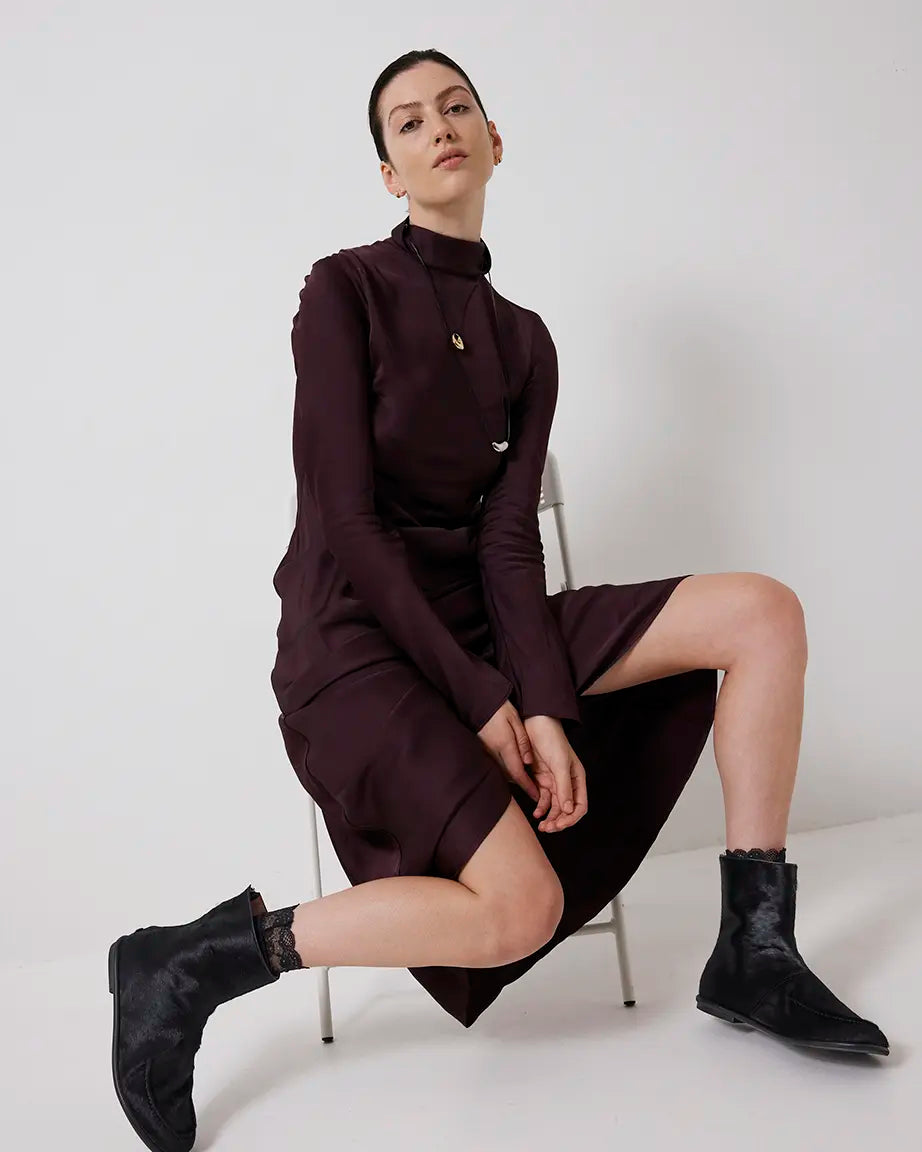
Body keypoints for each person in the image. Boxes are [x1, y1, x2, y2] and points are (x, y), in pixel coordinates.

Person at [108, 48, 889, 1152]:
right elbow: (346, 525)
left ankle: (754, 953)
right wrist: (487, 700)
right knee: (518, 910)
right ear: (390, 173)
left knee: (761, 612)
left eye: (457, 107)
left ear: (493, 139)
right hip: (352, 643)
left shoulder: (525, 342)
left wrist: (548, 706)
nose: (439, 127)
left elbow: (507, 542)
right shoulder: (343, 291)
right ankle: (189, 962)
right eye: (409, 121)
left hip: (477, 626)